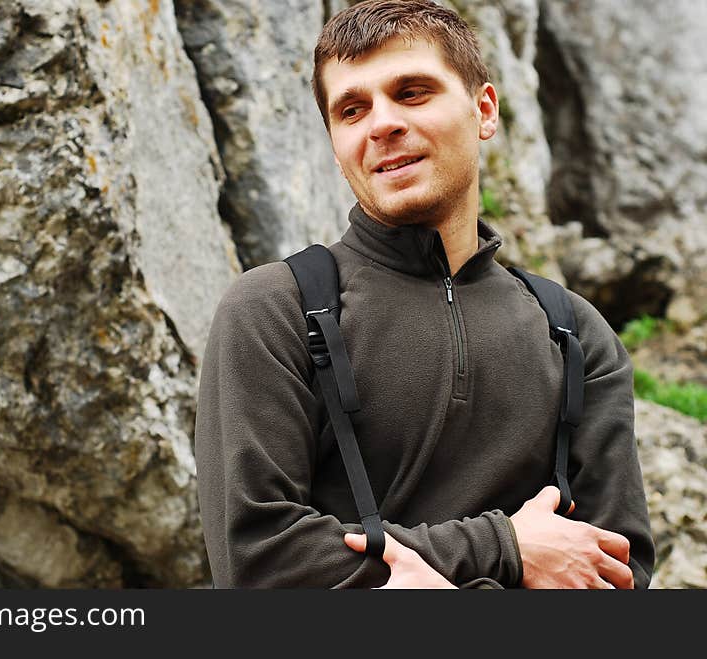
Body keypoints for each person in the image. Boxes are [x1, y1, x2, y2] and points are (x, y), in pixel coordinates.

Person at [194, 0, 654, 588]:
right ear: (336, 145)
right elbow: (256, 562)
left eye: (412, 93)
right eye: (352, 109)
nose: (381, 124)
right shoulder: (273, 310)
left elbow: (618, 573)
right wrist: (505, 547)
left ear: (484, 110)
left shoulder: (574, 333)